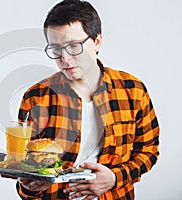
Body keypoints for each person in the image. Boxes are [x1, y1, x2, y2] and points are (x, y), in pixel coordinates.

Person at [15, 0, 160, 199]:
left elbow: (148, 151)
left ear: (97, 41)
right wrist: (29, 187)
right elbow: (24, 173)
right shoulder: (36, 97)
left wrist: (115, 178)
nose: (64, 58)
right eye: (56, 49)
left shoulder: (133, 90)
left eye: (74, 46)